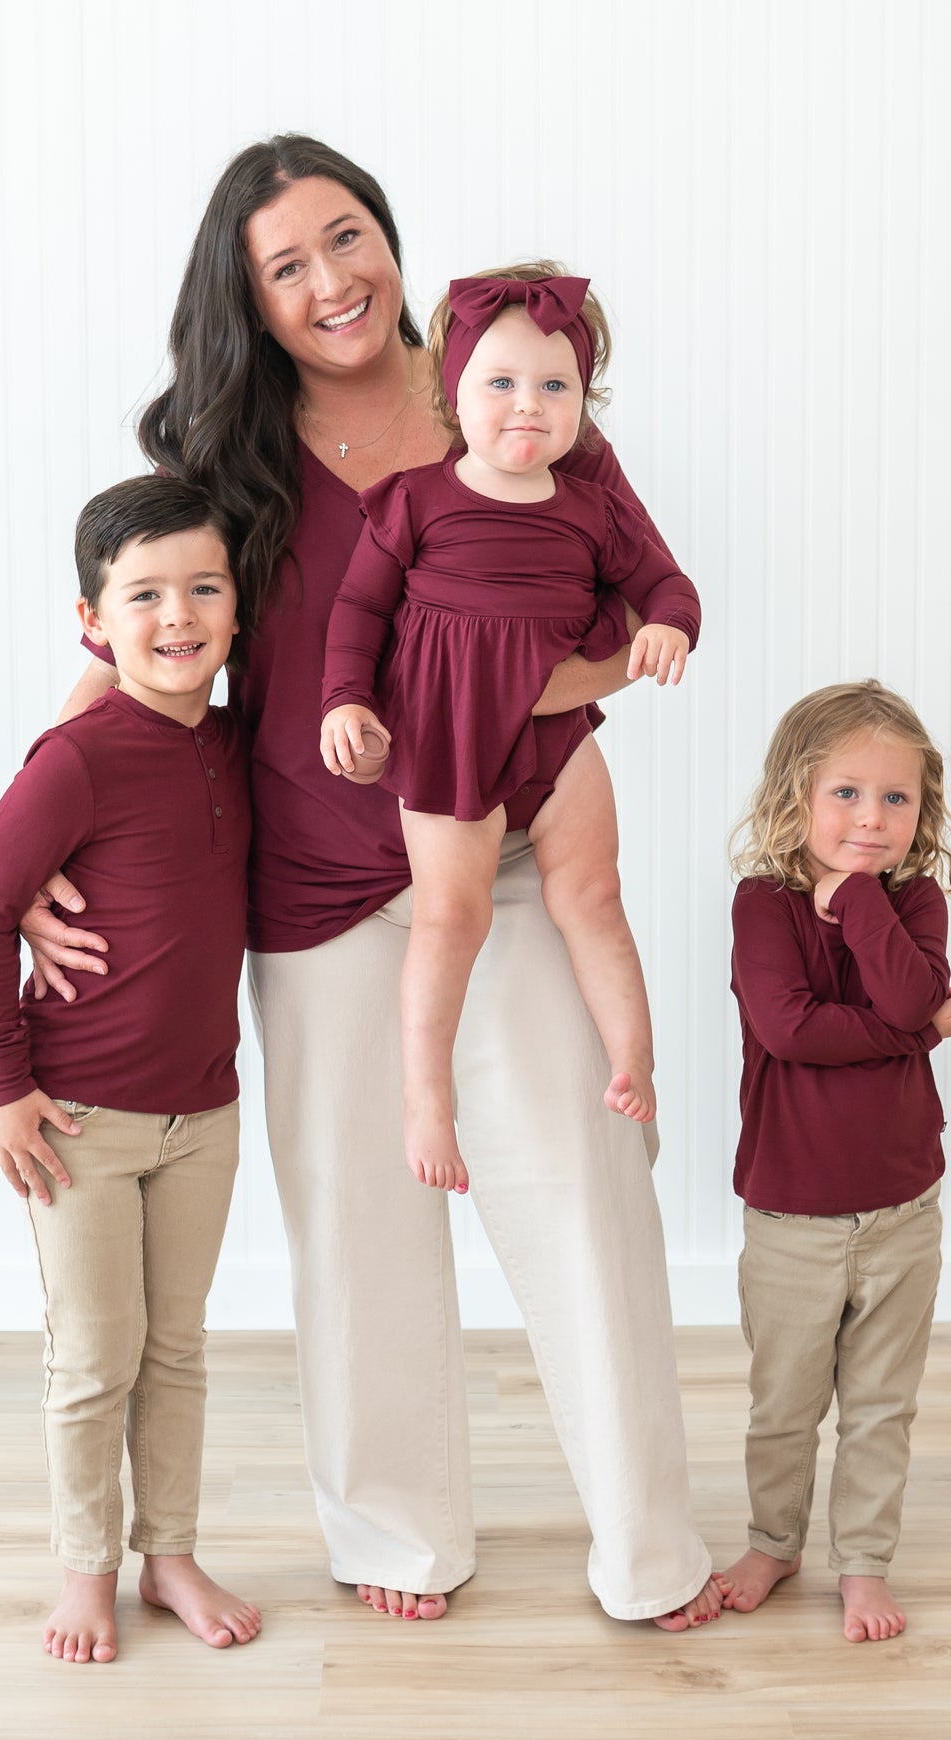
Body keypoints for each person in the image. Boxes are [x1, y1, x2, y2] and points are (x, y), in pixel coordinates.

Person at [23, 136, 722, 1631]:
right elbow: (132, 658)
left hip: (517, 858)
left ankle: (648, 1549)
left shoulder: (507, 392)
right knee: (356, 1220)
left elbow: (615, 615)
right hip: (317, 889)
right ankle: (399, 1531)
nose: (333, 281)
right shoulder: (221, 467)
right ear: (252, 301)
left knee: (585, 1191)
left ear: (391, 238)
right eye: (289, 266)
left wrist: (528, 693)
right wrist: (33, 852)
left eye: (350, 239)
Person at [0, 477, 261, 1664]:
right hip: (75, 1116)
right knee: (94, 1356)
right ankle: (85, 1571)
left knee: (175, 1345)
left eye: (202, 588)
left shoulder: (235, 744)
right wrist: (2, 1086)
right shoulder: (78, 757)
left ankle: (168, 1554)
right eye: (144, 595)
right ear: (93, 620)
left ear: (238, 609)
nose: (177, 615)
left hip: (207, 1113)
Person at [319, 267, 697, 1193]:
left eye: (554, 386)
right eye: (500, 383)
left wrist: (664, 626)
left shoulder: (595, 511)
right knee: (453, 914)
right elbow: (358, 611)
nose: (527, 405)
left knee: (595, 895)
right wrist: (345, 701)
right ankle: (427, 1097)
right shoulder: (415, 499)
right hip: (446, 740)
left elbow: (670, 586)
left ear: (583, 403)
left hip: (558, 744)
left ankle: (634, 1062)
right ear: (453, 393)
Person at [712, 679, 951, 1643]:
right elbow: (790, 1030)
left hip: (905, 1209)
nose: (872, 817)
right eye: (847, 794)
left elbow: (907, 996)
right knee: (784, 1404)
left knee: (878, 1406)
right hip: (791, 1215)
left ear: (921, 810)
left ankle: (862, 1561)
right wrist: (921, 1032)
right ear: (797, 795)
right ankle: (774, 1540)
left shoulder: (915, 903)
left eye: (896, 799)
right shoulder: (761, 906)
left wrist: (860, 899)